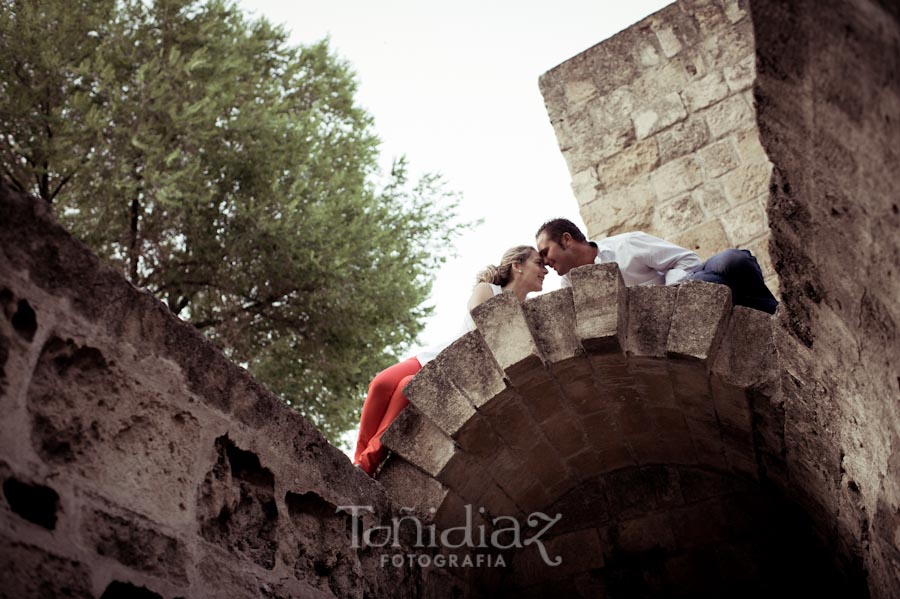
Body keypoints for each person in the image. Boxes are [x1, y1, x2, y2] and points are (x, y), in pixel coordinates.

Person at [353, 245, 547, 476]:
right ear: (518, 266)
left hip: (457, 372)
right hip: (437, 355)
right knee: (380, 383)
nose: (545, 270)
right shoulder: (488, 290)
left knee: (406, 387)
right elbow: (480, 324)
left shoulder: (525, 311)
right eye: (539, 263)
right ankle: (356, 460)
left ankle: (366, 465)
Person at [535, 218, 778, 314]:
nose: (545, 261)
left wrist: (673, 291)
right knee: (714, 285)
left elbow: (686, 260)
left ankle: (777, 313)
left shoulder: (627, 244)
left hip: (685, 283)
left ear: (566, 239)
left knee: (733, 260)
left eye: (546, 252)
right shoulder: (569, 286)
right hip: (664, 317)